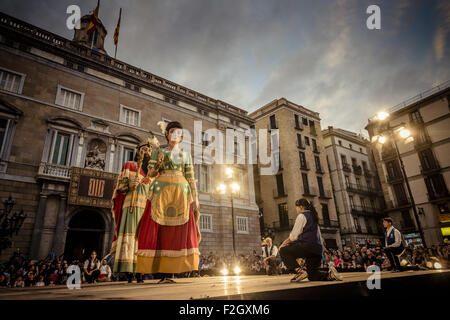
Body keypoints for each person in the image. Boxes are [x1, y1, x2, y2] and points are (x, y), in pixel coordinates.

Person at [136, 121, 201, 283]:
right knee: (161, 232)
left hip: (181, 194)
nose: (175, 135)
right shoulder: (159, 150)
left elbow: (191, 178)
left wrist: (196, 197)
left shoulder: (186, 155)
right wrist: (157, 163)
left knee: (177, 233)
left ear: (181, 137)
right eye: (172, 131)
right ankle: (163, 273)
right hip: (161, 194)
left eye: (179, 133)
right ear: (167, 134)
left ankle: (172, 273)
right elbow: (150, 174)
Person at [110, 137, 157, 283]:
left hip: (146, 208)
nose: (147, 151)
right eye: (144, 149)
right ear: (138, 151)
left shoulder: (152, 173)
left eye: (149, 150)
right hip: (131, 205)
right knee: (130, 238)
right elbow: (120, 187)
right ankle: (129, 271)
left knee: (143, 239)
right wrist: (130, 184)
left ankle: (141, 271)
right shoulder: (129, 165)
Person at [279, 198, 342, 282]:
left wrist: (283, 243)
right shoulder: (314, 218)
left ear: (300, 207)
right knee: (312, 275)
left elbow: (294, 236)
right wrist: (324, 250)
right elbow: (319, 237)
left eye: (296, 207)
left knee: (283, 250)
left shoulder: (302, 216)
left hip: (306, 247)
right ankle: (329, 275)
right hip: (317, 250)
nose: (296, 209)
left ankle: (299, 271)